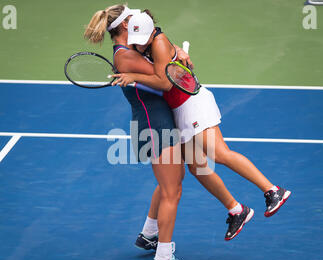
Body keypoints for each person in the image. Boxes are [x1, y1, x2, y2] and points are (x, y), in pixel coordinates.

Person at [111, 12, 291, 241]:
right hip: (178, 111)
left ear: (152, 31)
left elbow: (165, 83)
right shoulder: (140, 43)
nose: (142, 42)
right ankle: (237, 211)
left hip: (192, 104)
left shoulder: (158, 41)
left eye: (145, 36)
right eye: (138, 38)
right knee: (197, 167)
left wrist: (132, 76)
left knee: (220, 153)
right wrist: (177, 52)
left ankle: (273, 191)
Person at [84, 4, 191, 260]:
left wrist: (172, 53)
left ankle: (149, 235)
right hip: (154, 127)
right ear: (123, 26)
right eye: (131, 17)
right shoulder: (126, 57)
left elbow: (163, 69)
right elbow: (168, 79)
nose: (137, 19)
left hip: (158, 122)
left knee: (173, 179)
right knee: (172, 192)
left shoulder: (132, 51)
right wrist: (177, 55)